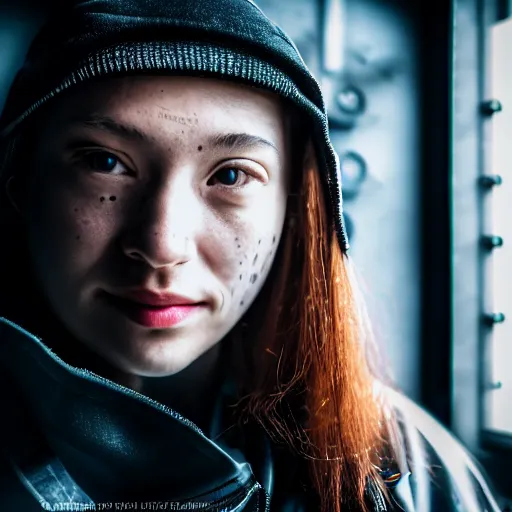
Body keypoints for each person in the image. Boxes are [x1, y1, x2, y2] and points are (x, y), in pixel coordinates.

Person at [0, 1, 501, 511]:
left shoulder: (405, 475)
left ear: (292, 208)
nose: (162, 247)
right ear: (21, 182)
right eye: (105, 162)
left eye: (232, 175)